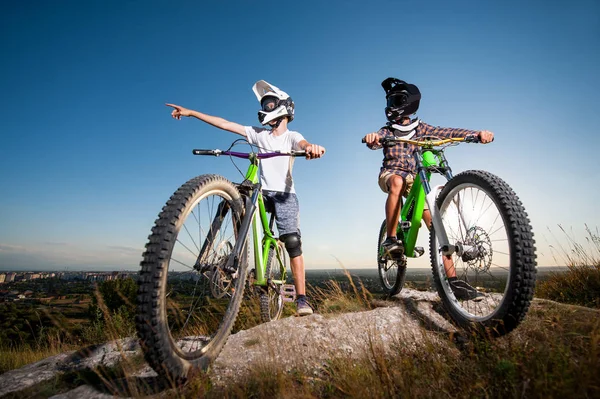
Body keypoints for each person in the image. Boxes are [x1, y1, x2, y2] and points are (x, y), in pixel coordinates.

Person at [166, 80, 325, 316]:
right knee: (239, 202)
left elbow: (303, 144)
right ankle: (236, 262)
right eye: (265, 104)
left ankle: (302, 298)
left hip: (284, 195)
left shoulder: (292, 136)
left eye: (270, 103)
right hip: (263, 192)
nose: (266, 108)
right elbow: (226, 124)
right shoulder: (259, 135)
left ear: (284, 108)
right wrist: (191, 113)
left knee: (291, 242)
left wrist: (312, 148)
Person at [362, 77, 494, 301]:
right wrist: (372, 138)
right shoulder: (386, 131)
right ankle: (391, 238)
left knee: (435, 223)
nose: (390, 106)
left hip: (415, 178)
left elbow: (447, 132)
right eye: (390, 101)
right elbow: (376, 140)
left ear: (407, 103)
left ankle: (453, 281)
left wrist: (475, 134)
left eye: (395, 101)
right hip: (391, 173)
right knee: (397, 182)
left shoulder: (422, 128)